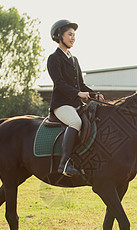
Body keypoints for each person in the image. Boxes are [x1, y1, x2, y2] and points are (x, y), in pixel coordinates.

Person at [47, 19, 104, 176]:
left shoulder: (74, 59)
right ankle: (64, 164)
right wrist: (77, 93)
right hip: (61, 105)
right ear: (59, 35)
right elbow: (59, 83)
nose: (73, 38)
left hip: (75, 104)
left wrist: (94, 94)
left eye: (74, 35)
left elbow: (81, 84)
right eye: (69, 34)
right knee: (76, 122)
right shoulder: (54, 58)